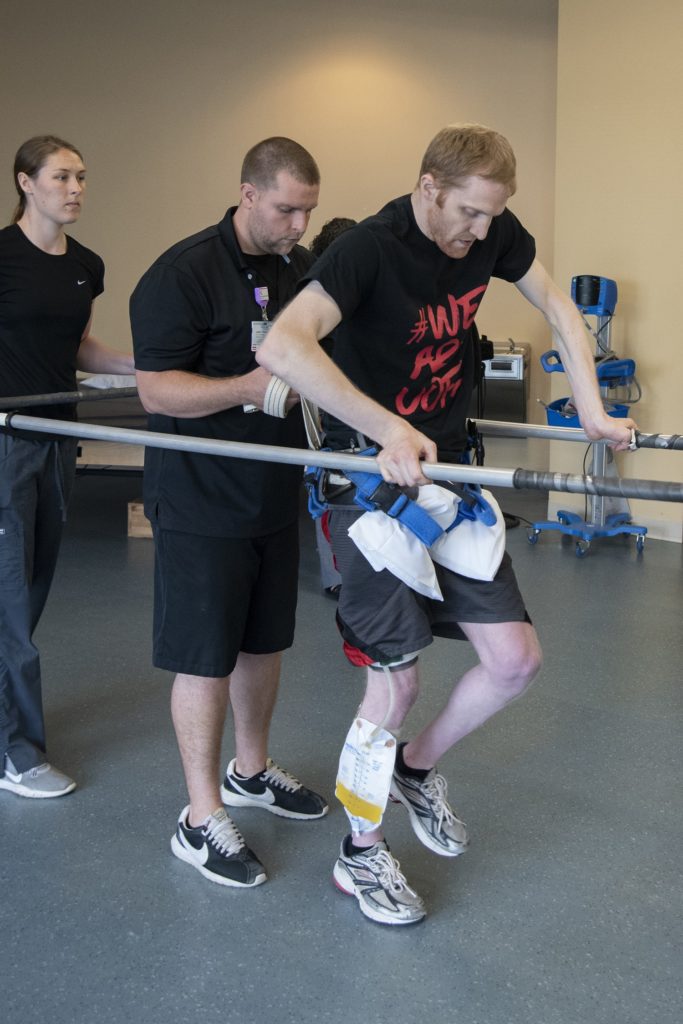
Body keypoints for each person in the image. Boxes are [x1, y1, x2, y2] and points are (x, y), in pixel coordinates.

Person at [257, 123, 636, 924]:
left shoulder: (492, 233)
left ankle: (414, 771)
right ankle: (357, 858)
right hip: (369, 484)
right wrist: (386, 427)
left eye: (491, 217)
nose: (478, 233)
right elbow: (285, 349)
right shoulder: (368, 247)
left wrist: (595, 413)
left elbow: (559, 306)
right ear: (428, 186)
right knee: (394, 681)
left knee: (514, 662)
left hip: (449, 474)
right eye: (466, 213)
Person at [130, 137, 328, 890]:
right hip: (199, 498)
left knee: (261, 643)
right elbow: (155, 392)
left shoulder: (297, 273)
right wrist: (245, 389)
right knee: (204, 656)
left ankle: (250, 770)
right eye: (285, 209)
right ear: (248, 194)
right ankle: (199, 813)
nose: (297, 224)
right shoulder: (181, 273)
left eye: (307, 210)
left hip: (270, 491)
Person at [0, 135, 134, 799]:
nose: (75, 188)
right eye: (61, 176)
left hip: (59, 440)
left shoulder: (87, 264)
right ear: (26, 182)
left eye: (81, 176)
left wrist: (147, 367)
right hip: (4, 443)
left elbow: (79, 347)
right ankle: (15, 753)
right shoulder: (0, 258)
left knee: (31, 593)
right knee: (9, 604)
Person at [308, 218, 357, 599]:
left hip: (358, 403)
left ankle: (345, 573)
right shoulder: (315, 295)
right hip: (326, 404)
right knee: (330, 483)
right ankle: (338, 574)